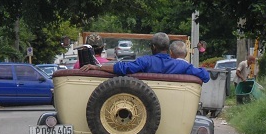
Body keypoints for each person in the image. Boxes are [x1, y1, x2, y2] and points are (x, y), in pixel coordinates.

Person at [81, 32, 210, 83]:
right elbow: (205, 76)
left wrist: (98, 67)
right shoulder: (182, 65)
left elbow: (123, 68)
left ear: (153, 47)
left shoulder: (145, 61)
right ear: (168, 49)